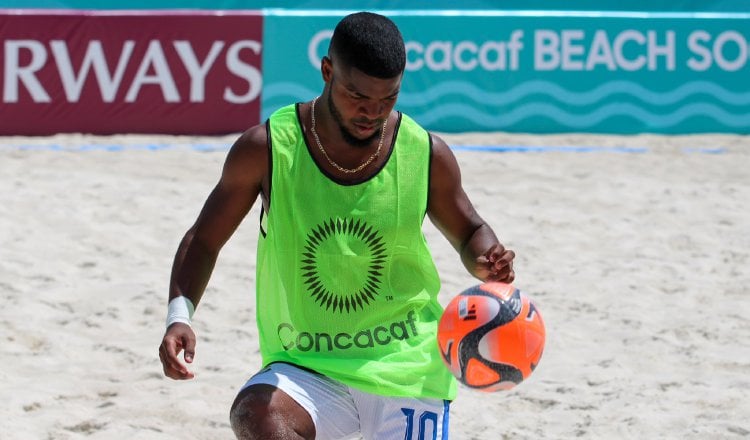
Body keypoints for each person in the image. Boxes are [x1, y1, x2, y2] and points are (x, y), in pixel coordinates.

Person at [158, 11, 515, 440]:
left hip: (407, 366)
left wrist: (486, 258)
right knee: (256, 415)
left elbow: (469, 229)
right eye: (357, 96)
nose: (372, 113)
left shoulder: (425, 153)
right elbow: (204, 240)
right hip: (308, 367)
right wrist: (180, 316)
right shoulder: (268, 149)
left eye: (388, 99)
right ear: (327, 71)